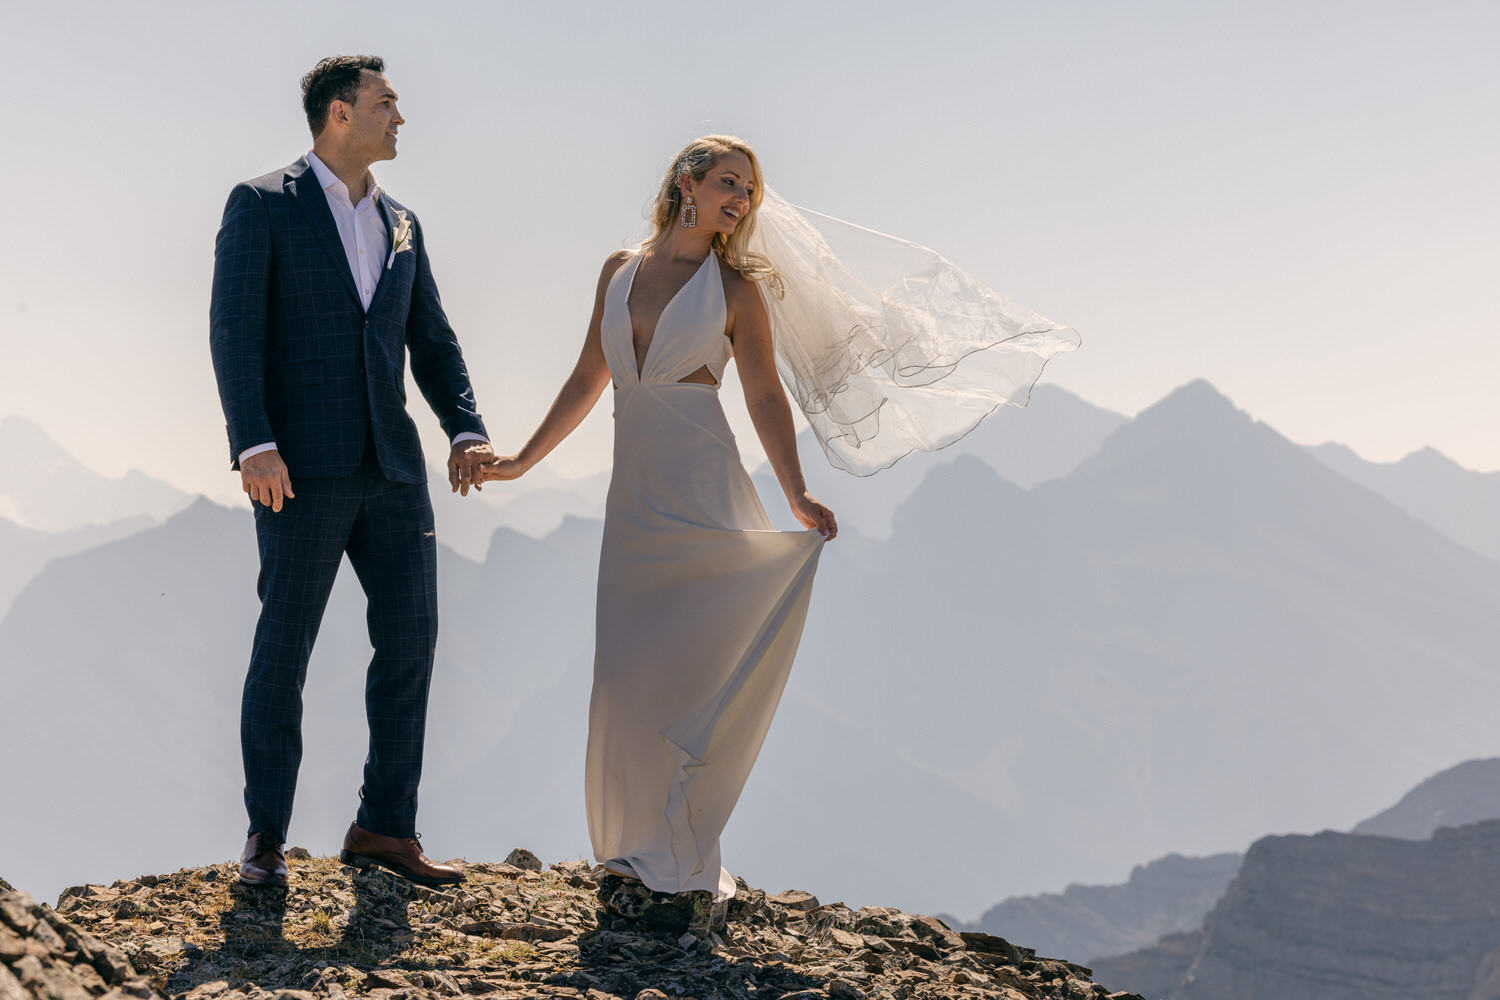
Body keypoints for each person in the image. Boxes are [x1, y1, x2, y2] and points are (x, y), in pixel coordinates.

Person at [481, 136, 834, 899]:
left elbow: (765, 396)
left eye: (749, 189)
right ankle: (628, 845)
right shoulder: (619, 270)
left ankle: (680, 847)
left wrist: (796, 494)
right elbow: (587, 376)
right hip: (635, 505)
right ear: (688, 184)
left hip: (702, 496)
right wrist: (518, 462)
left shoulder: (736, 291)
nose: (741, 200)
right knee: (626, 674)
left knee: (690, 673)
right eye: (728, 182)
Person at [209, 55, 493, 889]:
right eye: (386, 103)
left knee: (410, 642)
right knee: (284, 650)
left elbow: (431, 341)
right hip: (297, 470)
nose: (400, 117)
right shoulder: (261, 205)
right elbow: (235, 331)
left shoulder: (403, 220)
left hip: (395, 473)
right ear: (340, 113)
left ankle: (384, 829)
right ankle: (265, 838)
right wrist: (252, 441)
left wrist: (465, 426)